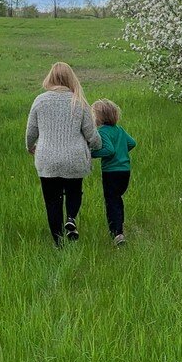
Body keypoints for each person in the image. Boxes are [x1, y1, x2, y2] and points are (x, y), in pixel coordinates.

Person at [25, 62, 101, 246]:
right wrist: (97, 145)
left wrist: (30, 147)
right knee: (74, 191)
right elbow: (91, 134)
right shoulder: (79, 101)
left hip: (47, 158)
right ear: (70, 78)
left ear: (50, 78)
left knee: (52, 200)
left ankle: (58, 242)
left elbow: (31, 132)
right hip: (74, 159)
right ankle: (71, 218)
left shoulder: (40, 100)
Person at [90, 98, 136, 246]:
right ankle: (120, 226)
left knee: (111, 201)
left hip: (111, 172)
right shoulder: (119, 129)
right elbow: (132, 143)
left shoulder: (102, 131)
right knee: (118, 198)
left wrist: (91, 153)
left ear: (98, 117)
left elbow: (108, 150)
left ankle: (117, 232)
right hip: (125, 170)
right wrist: (122, 154)